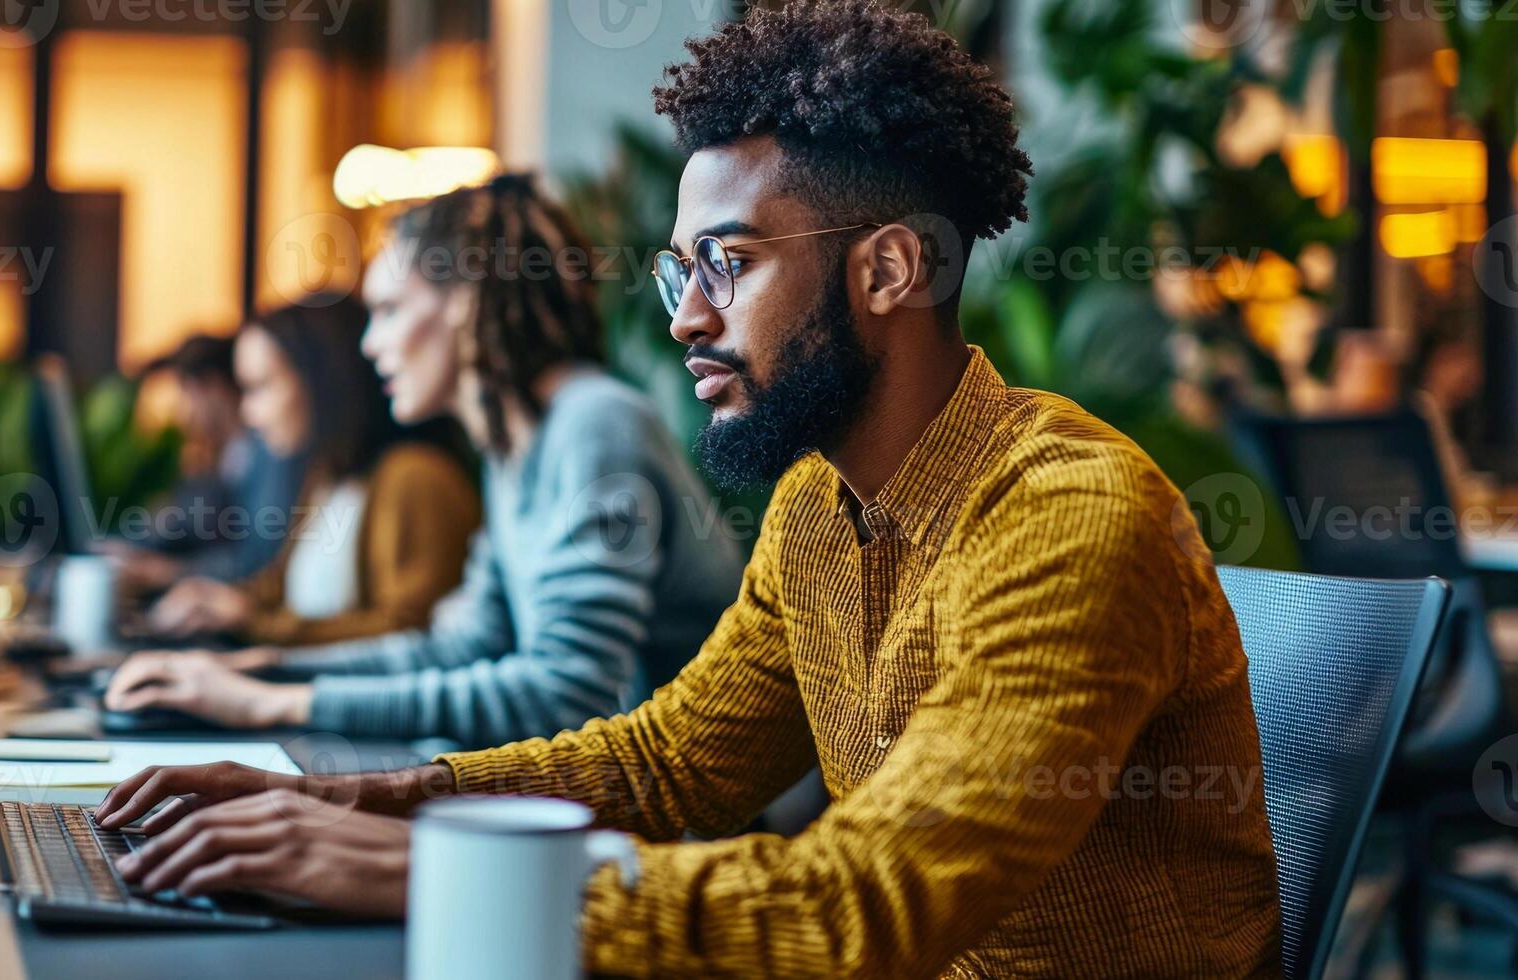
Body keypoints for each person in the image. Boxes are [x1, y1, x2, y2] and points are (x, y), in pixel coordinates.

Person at [92, 5, 1282, 977]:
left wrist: (424, 865)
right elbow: (668, 766)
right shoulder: (819, 510)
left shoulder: (1067, 516)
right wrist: (352, 799)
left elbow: (868, 900)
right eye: (680, 266)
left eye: (729, 261)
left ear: (888, 267)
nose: (685, 316)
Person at [105, 175, 746, 747]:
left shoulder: (595, 420)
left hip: (698, 824)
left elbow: (563, 692)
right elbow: (461, 647)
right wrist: (261, 670)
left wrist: (275, 703)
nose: (368, 342)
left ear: (465, 300)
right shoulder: (514, 446)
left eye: (387, 309)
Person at [135, 296, 481, 662]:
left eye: (260, 386)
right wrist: (219, 600)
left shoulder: (415, 476)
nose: (247, 413)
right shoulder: (328, 477)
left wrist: (254, 623)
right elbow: (278, 589)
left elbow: (409, 633)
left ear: (319, 380)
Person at [106, 333, 304, 589]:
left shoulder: (273, 451)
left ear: (214, 387)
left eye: (187, 393)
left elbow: (257, 557)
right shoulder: (218, 460)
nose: (183, 411)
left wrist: (164, 572)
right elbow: (176, 520)